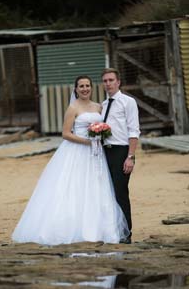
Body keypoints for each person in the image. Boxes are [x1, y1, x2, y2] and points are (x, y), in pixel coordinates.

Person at [11, 75, 129, 245]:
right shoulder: (72, 108)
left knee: (97, 187)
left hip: (96, 155)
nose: (85, 89)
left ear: (91, 88)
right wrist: (89, 141)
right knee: (75, 187)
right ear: (76, 89)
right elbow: (66, 134)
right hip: (77, 151)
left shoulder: (99, 107)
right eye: (81, 86)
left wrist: (101, 137)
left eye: (87, 85)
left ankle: (101, 230)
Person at [101, 68, 140, 244]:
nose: (108, 83)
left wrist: (130, 156)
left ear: (118, 82)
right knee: (107, 193)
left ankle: (126, 233)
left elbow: (134, 130)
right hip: (104, 152)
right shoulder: (102, 105)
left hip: (121, 151)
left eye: (111, 80)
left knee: (120, 192)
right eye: (105, 81)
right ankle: (112, 230)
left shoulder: (128, 102)